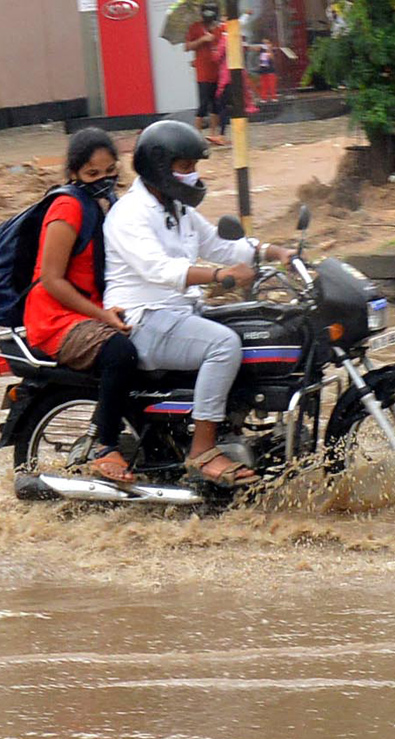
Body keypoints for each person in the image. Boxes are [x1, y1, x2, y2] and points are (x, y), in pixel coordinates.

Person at [102, 121, 296, 489]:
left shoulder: (178, 209)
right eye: (185, 168)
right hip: (144, 320)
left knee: (255, 325)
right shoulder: (129, 214)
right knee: (223, 345)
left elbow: (220, 245)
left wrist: (274, 252)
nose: (193, 176)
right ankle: (203, 450)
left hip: (182, 313)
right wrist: (219, 275)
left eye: (194, 167)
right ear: (160, 167)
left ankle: (237, 429)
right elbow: (160, 270)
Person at [23, 128, 139, 484]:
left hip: (93, 310)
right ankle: (105, 447)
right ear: (74, 174)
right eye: (92, 174)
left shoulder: (111, 206)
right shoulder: (68, 207)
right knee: (120, 352)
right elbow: (52, 280)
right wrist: (102, 315)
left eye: (109, 172)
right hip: (57, 316)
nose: (103, 180)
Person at [185, 1, 225, 144]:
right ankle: (197, 136)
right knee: (202, 104)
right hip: (202, 73)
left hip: (218, 72)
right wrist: (203, 39)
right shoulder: (195, 28)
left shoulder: (220, 28)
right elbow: (187, 46)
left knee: (216, 104)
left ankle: (213, 134)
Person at [257, 38, 279, 103]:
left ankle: (273, 96)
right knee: (264, 84)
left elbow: (272, 58)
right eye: (264, 43)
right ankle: (264, 97)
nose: (265, 45)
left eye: (267, 43)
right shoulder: (261, 51)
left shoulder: (271, 50)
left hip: (270, 69)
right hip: (263, 69)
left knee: (272, 84)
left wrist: (269, 49)